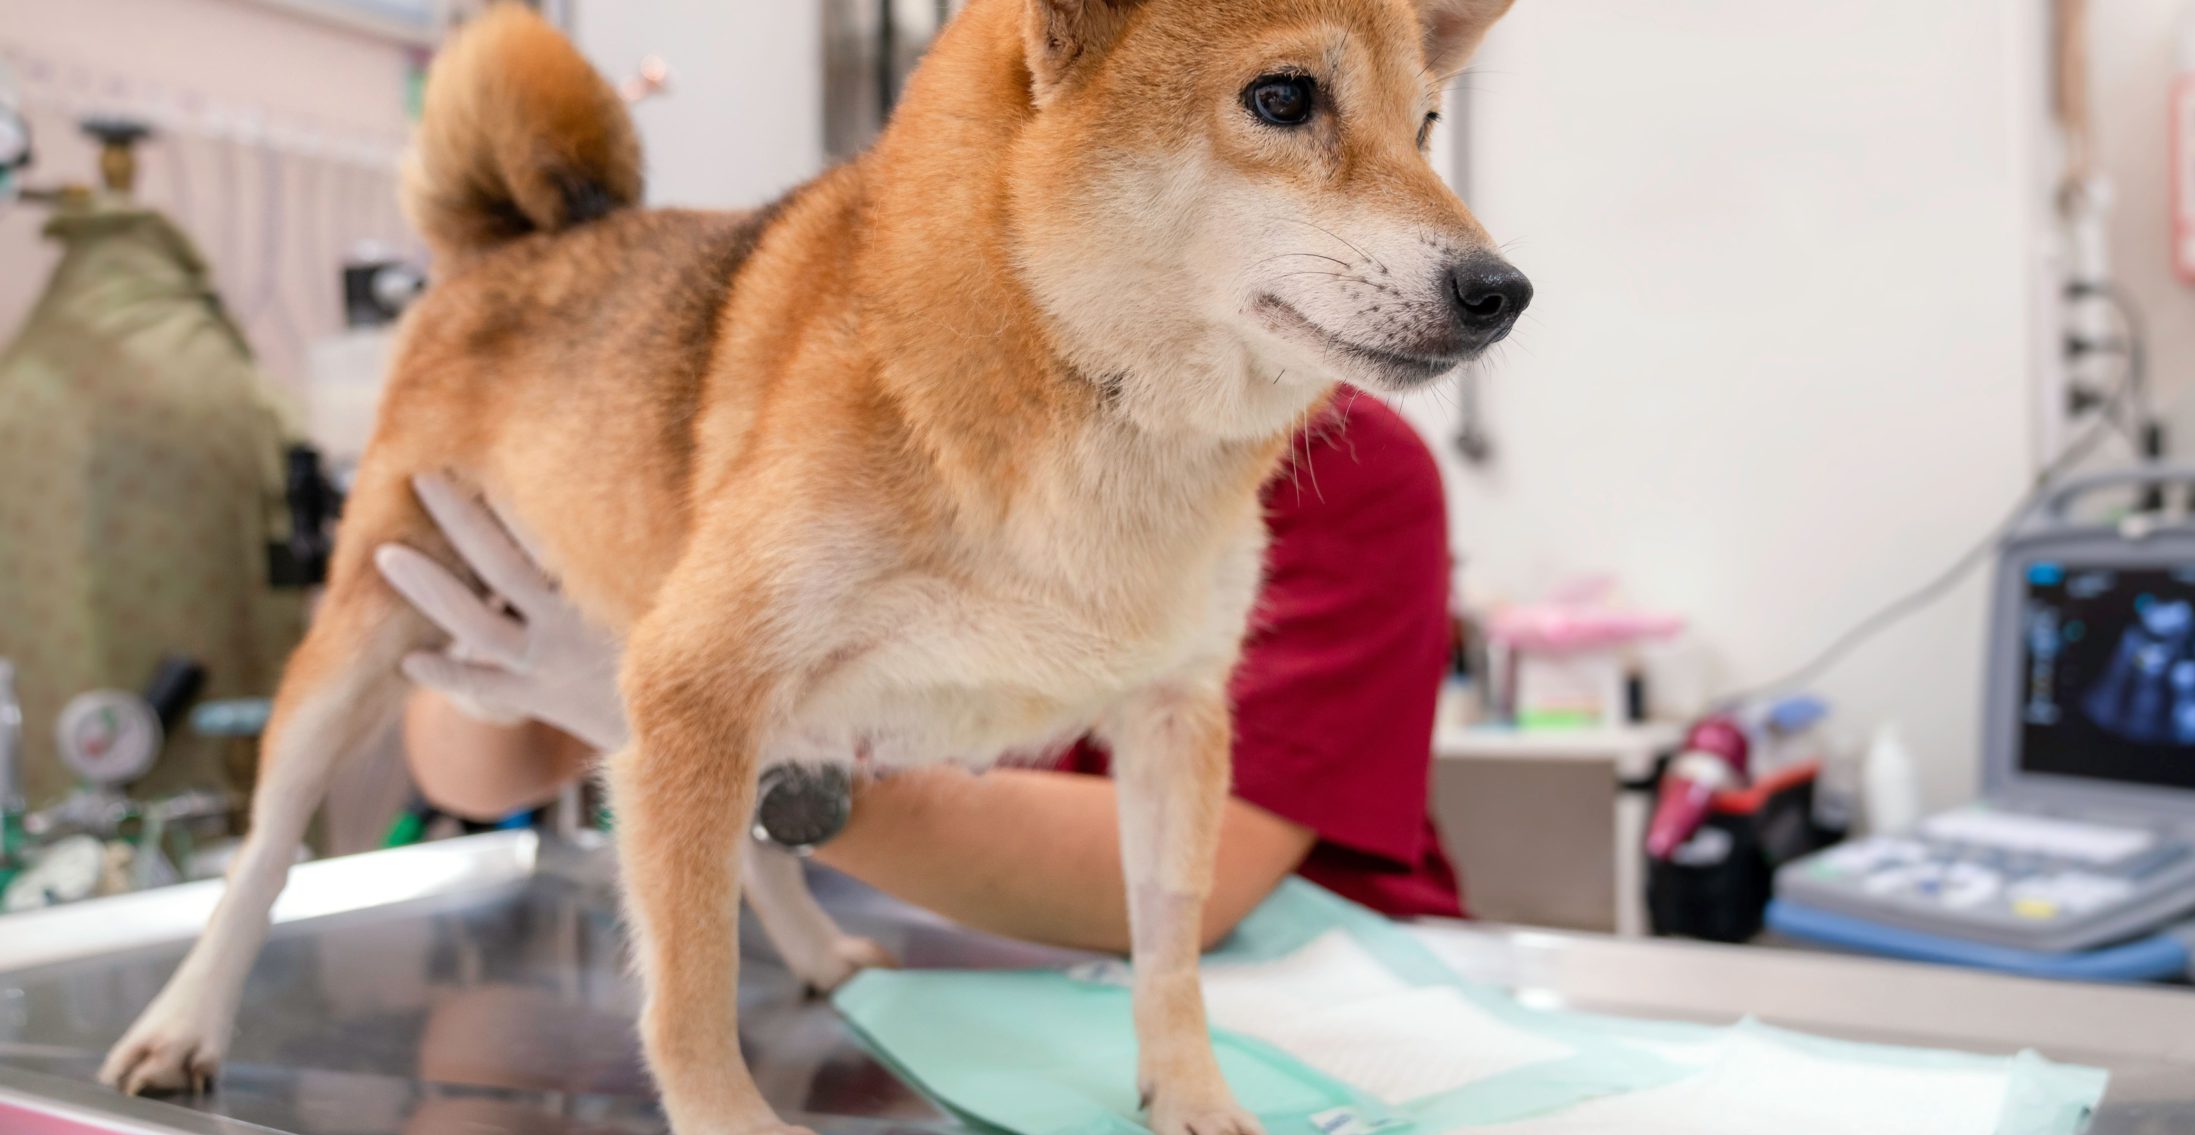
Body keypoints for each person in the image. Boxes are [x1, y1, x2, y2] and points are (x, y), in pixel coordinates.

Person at [389, 387, 1465, 952]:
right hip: (944, 990)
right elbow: (463, 773)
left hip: (1302, 1011)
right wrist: (535, 594)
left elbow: (1188, 880)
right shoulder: (850, 418)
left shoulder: (1335, 464)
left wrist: (735, 752)